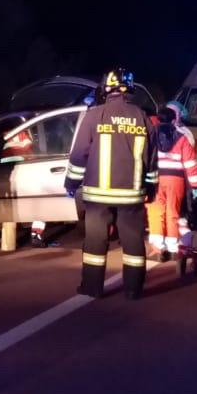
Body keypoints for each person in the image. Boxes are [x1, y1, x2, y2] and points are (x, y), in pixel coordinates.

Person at [65, 69, 157, 299]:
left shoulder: (95, 115)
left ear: (106, 88)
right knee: (133, 243)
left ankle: (92, 288)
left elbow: (78, 155)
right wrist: (151, 187)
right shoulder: (142, 117)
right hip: (131, 195)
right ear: (130, 89)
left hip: (98, 196)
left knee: (96, 242)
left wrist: (71, 182)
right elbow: (153, 159)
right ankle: (133, 290)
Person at [147, 105, 197, 259]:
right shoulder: (182, 138)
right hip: (175, 180)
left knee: (156, 211)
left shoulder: (150, 136)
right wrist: (196, 185)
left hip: (155, 178)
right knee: (173, 212)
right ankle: (172, 248)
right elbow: (190, 164)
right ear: (173, 121)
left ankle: (158, 248)